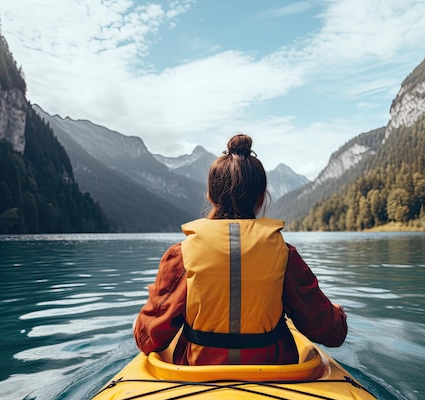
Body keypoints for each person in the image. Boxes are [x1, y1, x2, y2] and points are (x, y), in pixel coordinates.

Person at [134, 134, 347, 365]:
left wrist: (143, 323)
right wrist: (338, 315)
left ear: (211, 196)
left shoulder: (181, 255)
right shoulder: (284, 254)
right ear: (261, 198)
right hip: (274, 374)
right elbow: (332, 333)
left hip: (197, 373)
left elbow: (147, 339)